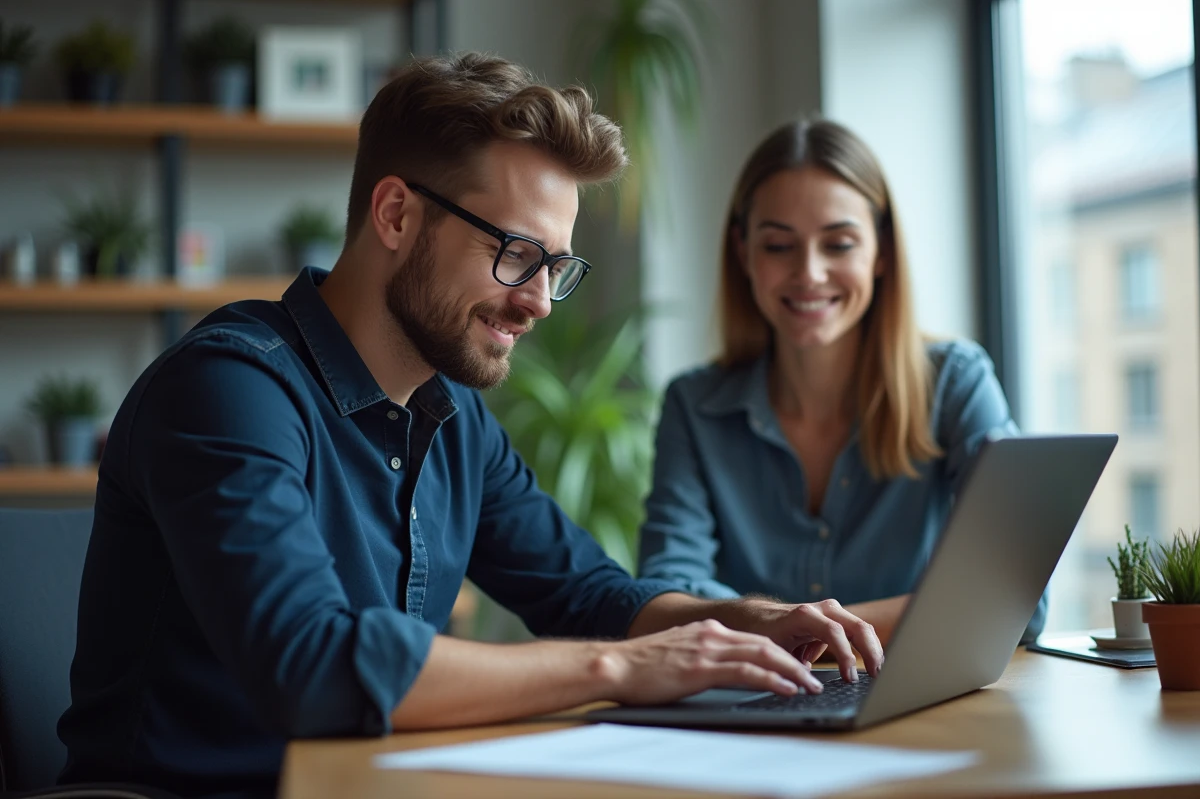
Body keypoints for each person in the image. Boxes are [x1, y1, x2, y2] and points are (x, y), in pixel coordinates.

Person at [57, 57, 882, 799]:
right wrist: (622, 669)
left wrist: (750, 621)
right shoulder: (227, 391)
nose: (538, 303)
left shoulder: (450, 414)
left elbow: (587, 594)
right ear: (395, 215)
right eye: (518, 255)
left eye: (556, 268)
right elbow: (309, 666)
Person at [638, 119, 1046, 647]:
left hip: (914, 707)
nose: (809, 272)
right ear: (744, 253)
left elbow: (1016, 595)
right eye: (779, 246)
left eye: (839, 244)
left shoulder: (956, 382)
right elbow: (666, 596)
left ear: (881, 252)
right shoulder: (694, 406)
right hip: (749, 704)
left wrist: (800, 630)